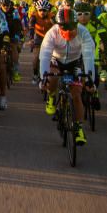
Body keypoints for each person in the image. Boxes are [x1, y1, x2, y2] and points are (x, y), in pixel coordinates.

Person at [39, 8, 95, 145]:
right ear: (58, 26)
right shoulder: (52, 33)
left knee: (76, 94)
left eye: (72, 27)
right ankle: (52, 96)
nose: (68, 31)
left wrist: (89, 79)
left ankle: (78, 128)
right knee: (51, 79)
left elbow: (88, 57)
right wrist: (43, 78)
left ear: (77, 24)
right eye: (64, 28)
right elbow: (45, 56)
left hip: (75, 61)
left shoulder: (84, 32)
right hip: (56, 60)